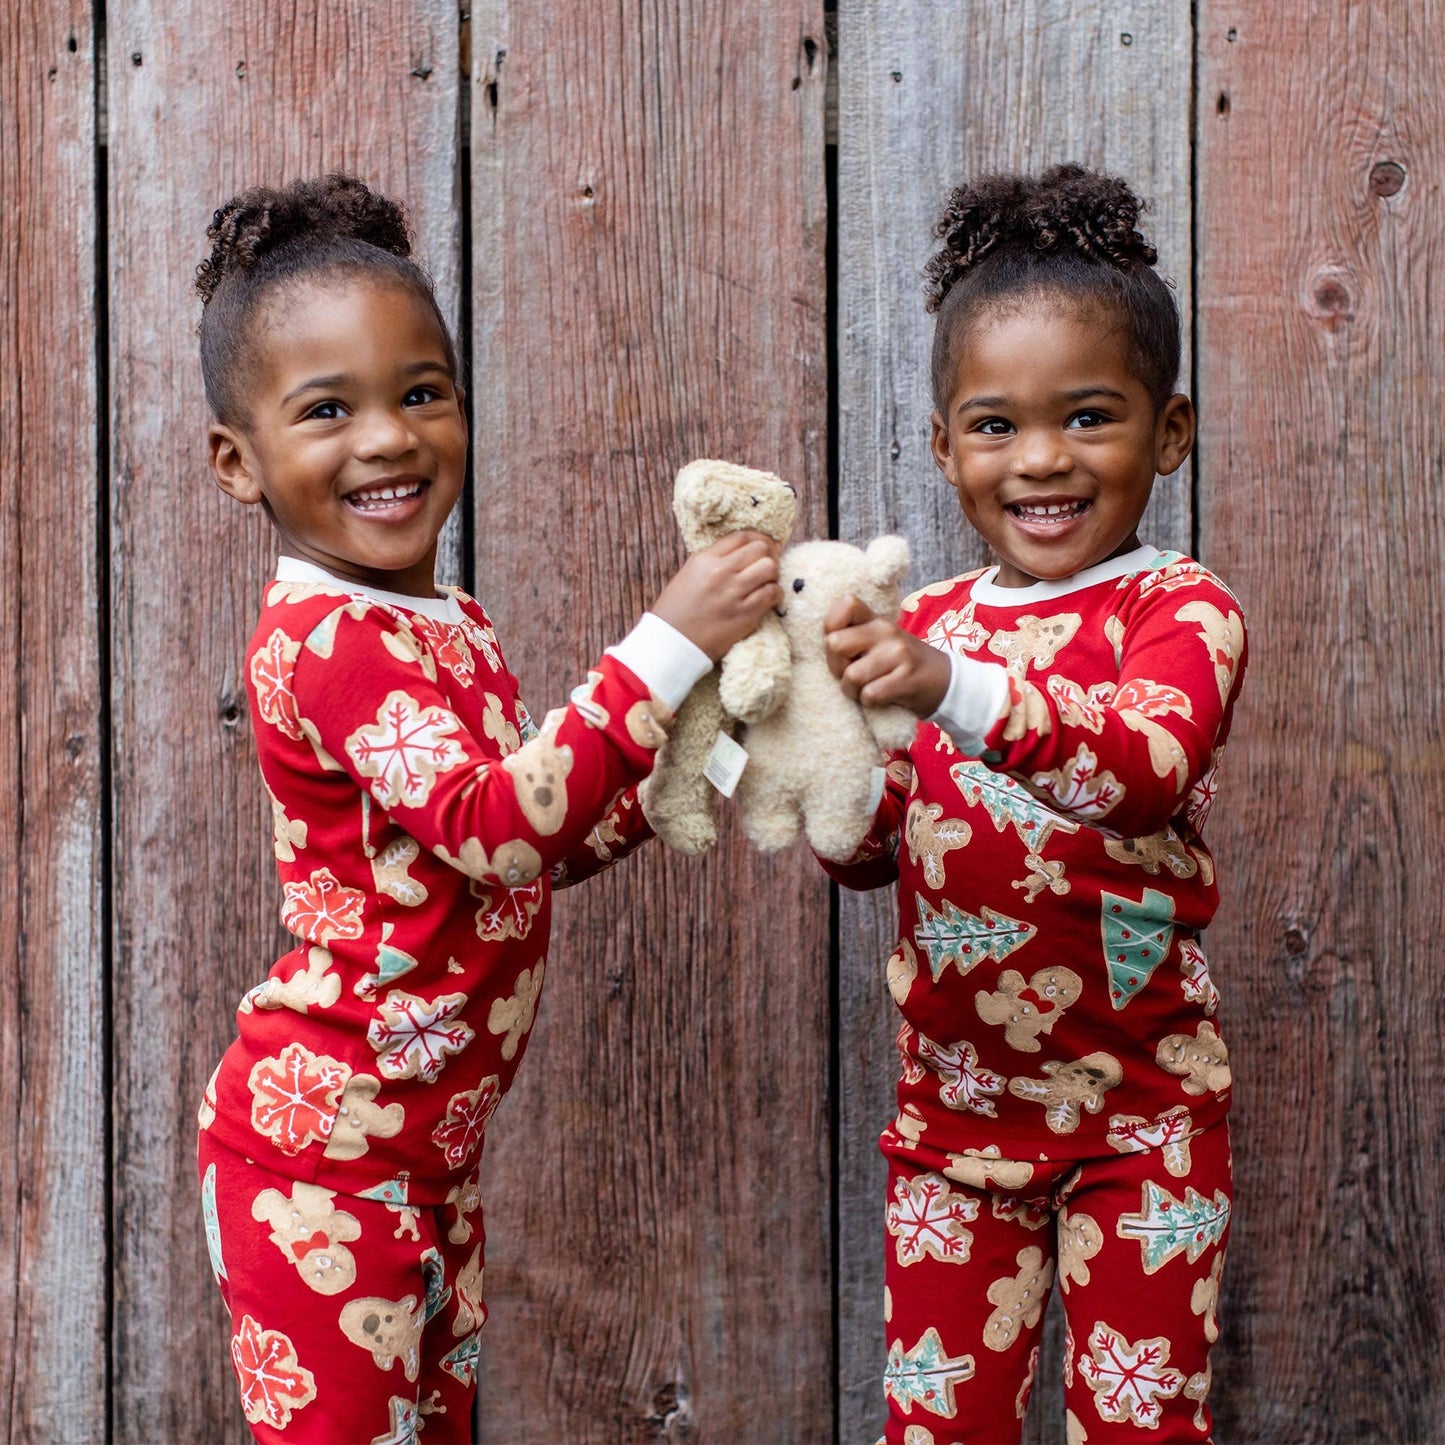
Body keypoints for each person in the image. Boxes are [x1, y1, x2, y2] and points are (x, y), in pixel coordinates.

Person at [191, 173, 781, 1441]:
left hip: (422, 1153)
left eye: (419, 394)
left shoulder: (442, 620)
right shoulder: (330, 637)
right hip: (324, 1157)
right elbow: (494, 817)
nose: (388, 437)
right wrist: (665, 643)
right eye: (326, 410)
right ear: (238, 462)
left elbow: (521, 850)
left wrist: (709, 748)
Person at [822, 164, 1248, 1443]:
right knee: (935, 1428)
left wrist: (950, 686)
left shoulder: (1177, 609)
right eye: (996, 425)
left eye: (1089, 416)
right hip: (949, 1125)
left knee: (1138, 1424)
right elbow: (875, 850)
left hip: (1144, 1123)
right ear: (943, 443)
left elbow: (1140, 770)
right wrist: (807, 766)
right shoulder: (929, 623)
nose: (1042, 458)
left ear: (1166, 433)